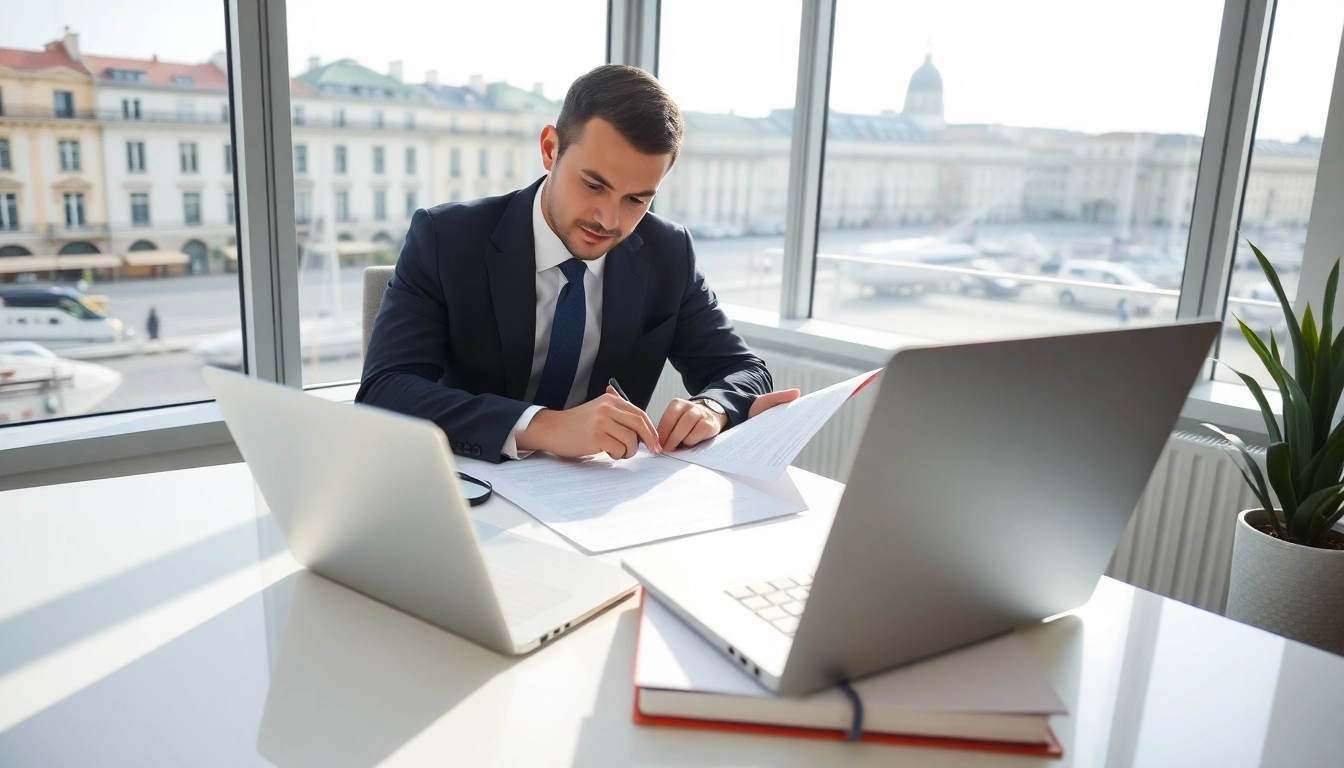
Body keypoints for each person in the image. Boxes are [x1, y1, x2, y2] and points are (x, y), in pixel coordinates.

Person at [357, 64, 798, 464]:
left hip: (597, 502)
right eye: (593, 185)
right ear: (550, 149)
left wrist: (713, 407)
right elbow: (384, 390)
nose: (609, 220)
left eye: (636, 199)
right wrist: (544, 425)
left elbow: (744, 371)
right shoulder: (446, 238)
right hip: (469, 486)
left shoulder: (668, 252)